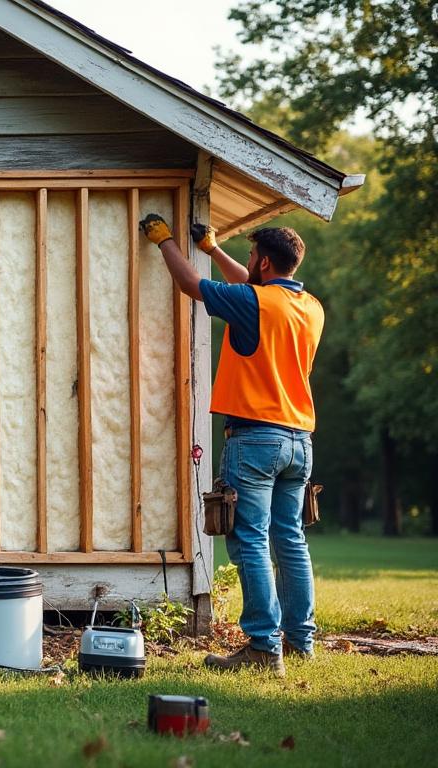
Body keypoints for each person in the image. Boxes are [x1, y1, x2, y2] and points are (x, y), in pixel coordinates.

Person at [140, 215, 323, 677]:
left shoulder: (255, 303)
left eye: (249, 257)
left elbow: (191, 285)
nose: (246, 264)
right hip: (299, 440)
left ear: (263, 261)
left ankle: (263, 646)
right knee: (291, 541)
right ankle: (300, 642)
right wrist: (215, 248)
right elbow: (253, 289)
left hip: (255, 439)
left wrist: (166, 242)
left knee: (250, 541)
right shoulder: (310, 307)